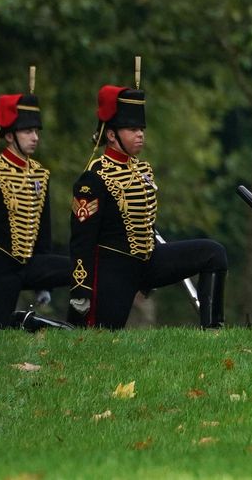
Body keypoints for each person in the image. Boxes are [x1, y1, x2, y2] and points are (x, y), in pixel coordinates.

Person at [68, 78, 229, 329]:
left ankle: (212, 330)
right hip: (114, 270)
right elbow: (82, 240)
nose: (140, 134)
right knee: (98, 338)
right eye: (132, 130)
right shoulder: (93, 178)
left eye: (141, 129)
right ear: (111, 135)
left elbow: (146, 225)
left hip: (148, 261)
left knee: (213, 253)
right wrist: (81, 287)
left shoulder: (143, 171)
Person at [0, 83, 71, 329]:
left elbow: (43, 231)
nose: (35, 138)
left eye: (36, 131)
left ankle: (86, 330)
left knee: (81, 270)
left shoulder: (40, 175)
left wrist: (45, 282)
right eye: (28, 131)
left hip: (30, 265)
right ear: (10, 135)